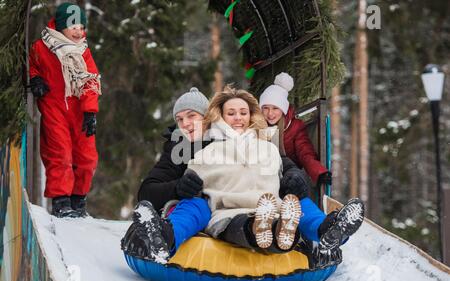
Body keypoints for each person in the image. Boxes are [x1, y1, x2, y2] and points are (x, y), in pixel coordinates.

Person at [122, 87, 365, 264]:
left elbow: (277, 160)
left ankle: (325, 230)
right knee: (197, 205)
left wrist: (293, 175)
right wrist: (178, 187)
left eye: (192, 116)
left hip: (262, 197)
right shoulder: (179, 149)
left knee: (295, 201)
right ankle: (165, 237)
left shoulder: (249, 138)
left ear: (208, 116)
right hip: (218, 204)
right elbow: (148, 190)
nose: (185, 124)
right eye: (180, 119)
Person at [29, 3, 101, 218]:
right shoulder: (42, 47)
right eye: (73, 27)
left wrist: (90, 112)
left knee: (87, 157)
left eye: (81, 27)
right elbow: (31, 65)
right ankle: (61, 201)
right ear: (61, 27)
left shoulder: (83, 51)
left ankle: (78, 201)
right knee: (59, 154)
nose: (79, 32)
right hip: (55, 107)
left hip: (79, 110)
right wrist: (36, 78)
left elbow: (91, 81)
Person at [260, 72, 331, 187]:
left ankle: (305, 205)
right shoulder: (256, 126)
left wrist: (319, 172)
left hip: (287, 174)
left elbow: (305, 153)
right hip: (262, 173)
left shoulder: (294, 127)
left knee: (295, 180)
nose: (270, 113)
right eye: (265, 108)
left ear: (283, 109)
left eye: (275, 108)